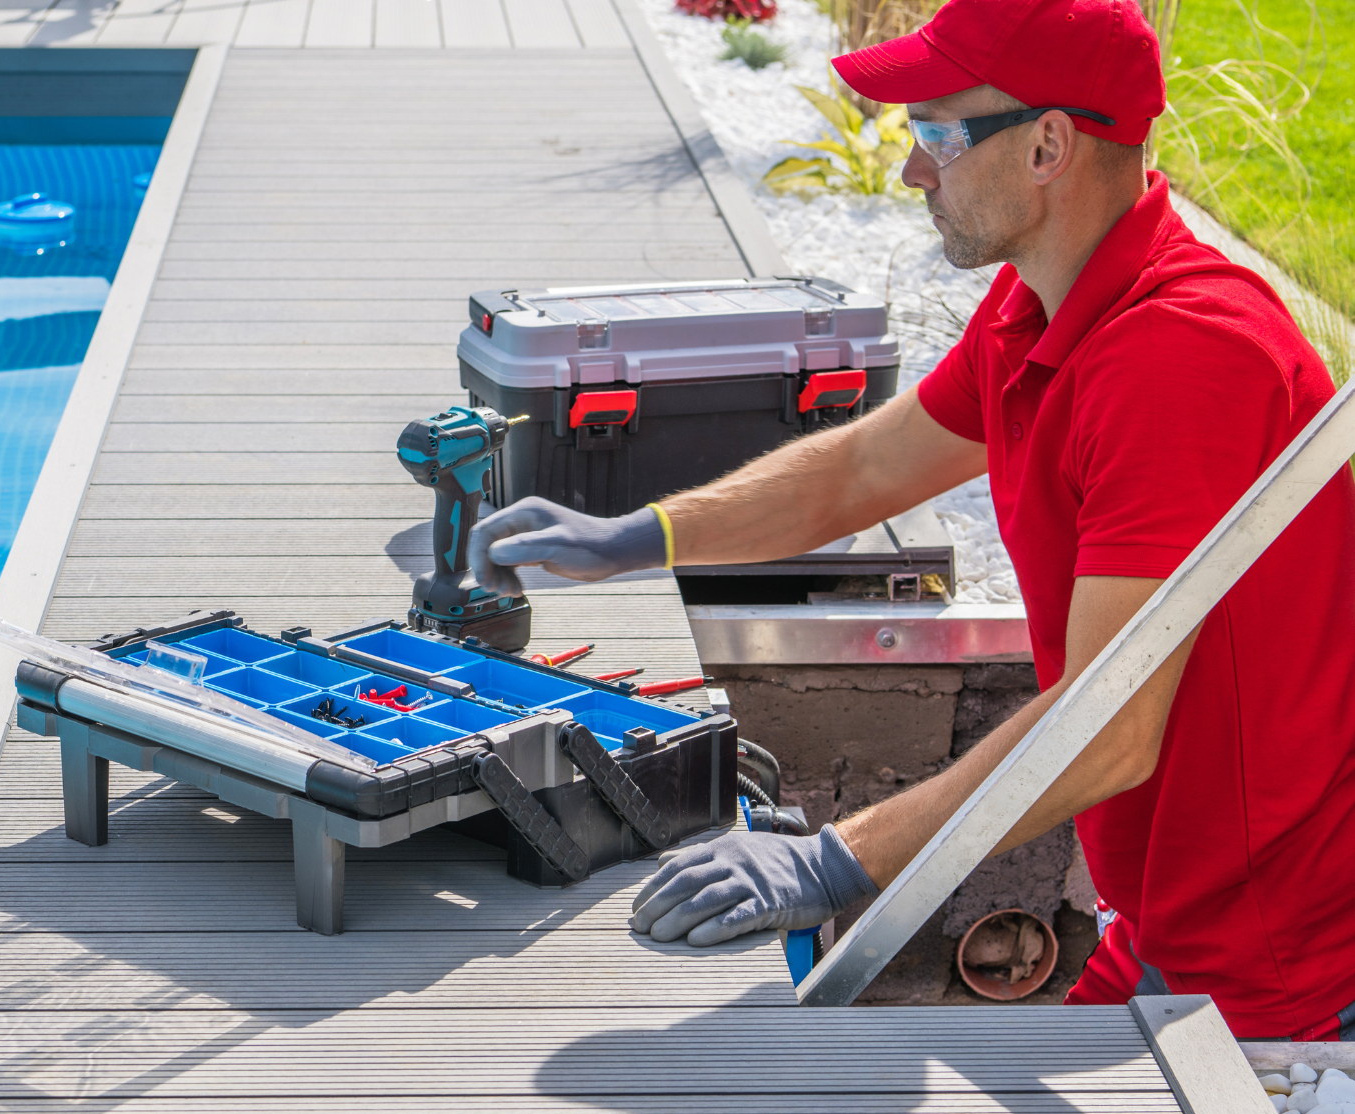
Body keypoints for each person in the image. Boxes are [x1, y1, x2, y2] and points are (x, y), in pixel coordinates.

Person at [468, 0, 1355, 1040]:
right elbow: (859, 469)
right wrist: (638, 535)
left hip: (1281, 971)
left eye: (935, 135)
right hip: (1165, 919)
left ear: (1047, 145)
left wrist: (831, 860)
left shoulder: (1179, 361)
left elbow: (1109, 729)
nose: (911, 174)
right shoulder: (1046, 303)